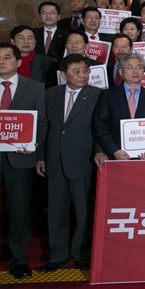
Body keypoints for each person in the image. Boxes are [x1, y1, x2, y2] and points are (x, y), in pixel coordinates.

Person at [36, 54, 99, 272]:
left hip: (83, 161)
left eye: (85, 71)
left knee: (83, 211)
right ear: (63, 75)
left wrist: (99, 153)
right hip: (54, 161)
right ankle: (58, 255)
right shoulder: (50, 94)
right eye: (76, 71)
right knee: (56, 211)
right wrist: (41, 156)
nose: (82, 75)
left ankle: (81, 254)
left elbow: (100, 128)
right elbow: (44, 126)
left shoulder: (98, 95)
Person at [0, 43, 47, 279]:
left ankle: (19, 260)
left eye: (7, 57)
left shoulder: (35, 88)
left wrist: (35, 144)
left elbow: (42, 122)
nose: (1, 61)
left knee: (19, 210)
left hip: (20, 158)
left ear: (19, 62)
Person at [93, 52, 145, 162]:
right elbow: (100, 126)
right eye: (130, 68)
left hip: (144, 158)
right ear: (120, 72)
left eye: (139, 67)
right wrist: (114, 150)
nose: (135, 71)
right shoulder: (108, 95)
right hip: (115, 156)